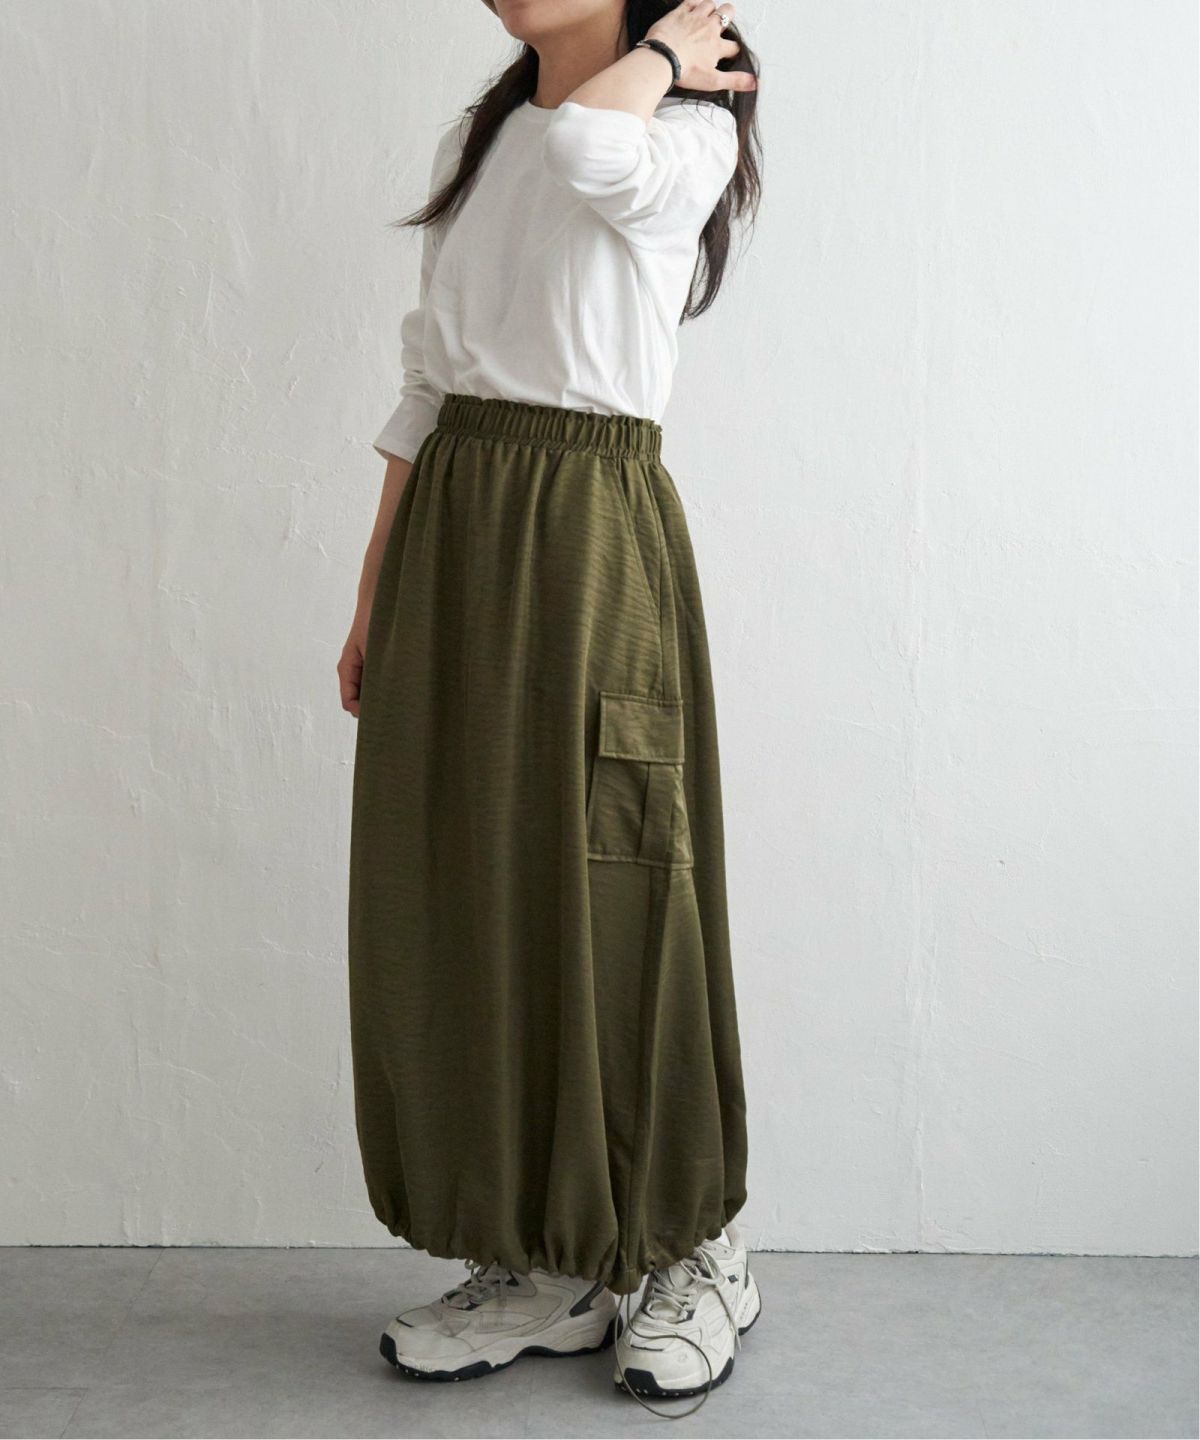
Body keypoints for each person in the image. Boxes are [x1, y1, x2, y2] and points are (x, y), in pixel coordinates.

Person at [339, 0, 762, 1413]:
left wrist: (667, 58)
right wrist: (375, 591)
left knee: (624, 882)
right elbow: (428, 380)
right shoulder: (488, 140)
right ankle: (544, 1258)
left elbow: (593, 145)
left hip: (589, 529)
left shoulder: (685, 129)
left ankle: (694, 1246)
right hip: (460, 523)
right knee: (472, 886)